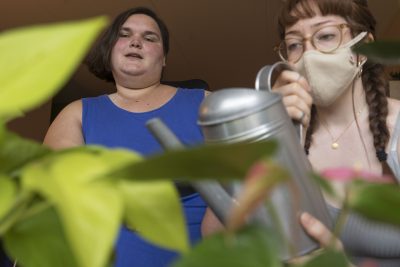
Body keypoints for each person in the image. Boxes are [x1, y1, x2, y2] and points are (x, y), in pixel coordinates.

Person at [44, 7, 208, 267]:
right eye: (125, 34)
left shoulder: (204, 103)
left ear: (164, 57)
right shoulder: (77, 112)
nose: (136, 41)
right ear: (110, 50)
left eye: (150, 37)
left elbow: (246, 184)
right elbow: (59, 193)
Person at [272, 0, 400, 266]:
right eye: (295, 44)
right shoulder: (286, 135)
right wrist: (270, 131)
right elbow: (226, 235)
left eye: (326, 36)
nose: (309, 55)